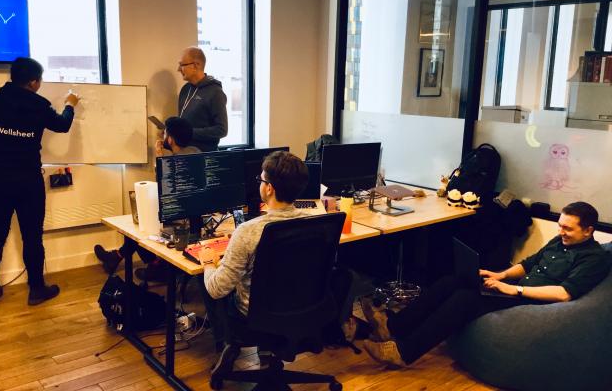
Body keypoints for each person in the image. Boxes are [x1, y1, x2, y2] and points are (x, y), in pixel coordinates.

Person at [361, 201, 611, 367]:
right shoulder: (560, 242)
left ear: (588, 231)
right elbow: (529, 262)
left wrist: (515, 289)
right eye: (560, 226)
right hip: (516, 289)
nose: (562, 232)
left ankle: (404, 352)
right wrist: (500, 275)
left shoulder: (593, 258)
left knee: (465, 299)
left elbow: (565, 293)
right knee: (454, 280)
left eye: (569, 229)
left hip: (535, 301)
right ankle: (393, 326)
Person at [0, 57, 80, 307]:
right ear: (33, 82)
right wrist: (70, 104)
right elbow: (63, 125)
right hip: (28, 180)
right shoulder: (38, 105)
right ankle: (36, 290)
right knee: (32, 236)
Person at [194, 151, 309, 349]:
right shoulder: (311, 224)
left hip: (253, 318)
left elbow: (217, 289)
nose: (260, 184)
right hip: (301, 309)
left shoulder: (247, 231)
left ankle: (226, 348)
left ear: (270, 189)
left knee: (206, 277)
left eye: (261, 179)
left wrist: (207, 262)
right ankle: (266, 352)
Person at [93, 117, 201, 280]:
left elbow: (163, 188)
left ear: (170, 139)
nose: (163, 136)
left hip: (178, 219)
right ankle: (116, 257)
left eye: (165, 133)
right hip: (193, 218)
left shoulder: (171, 163)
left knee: (140, 228)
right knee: (141, 222)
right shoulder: (196, 153)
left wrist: (159, 156)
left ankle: (156, 265)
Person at [177, 46, 228, 152]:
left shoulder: (215, 92)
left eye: (182, 65)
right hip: (184, 154)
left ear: (196, 65)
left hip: (203, 157)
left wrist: (190, 132)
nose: (178, 69)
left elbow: (221, 130)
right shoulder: (185, 89)